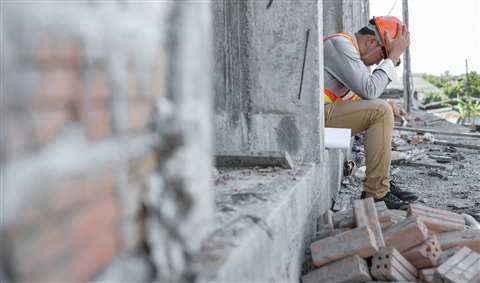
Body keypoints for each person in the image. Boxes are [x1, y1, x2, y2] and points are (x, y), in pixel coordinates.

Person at [323, 16, 417, 209]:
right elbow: (370, 90)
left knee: (383, 109)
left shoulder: (352, 55)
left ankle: (382, 185)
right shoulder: (340, 45)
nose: (378, 63)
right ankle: (376, 193)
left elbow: (362, 98)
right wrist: (392, 58)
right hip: (310, 118)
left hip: (321, 114)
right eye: (382, 56)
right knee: (380, 111)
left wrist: (388, 101)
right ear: (372, 42)